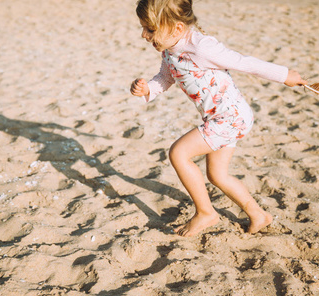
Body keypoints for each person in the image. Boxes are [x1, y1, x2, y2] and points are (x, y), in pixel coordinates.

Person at [130, 0, 307, 237]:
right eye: (144, 28)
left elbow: (245, 63)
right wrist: (148, 89)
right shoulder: (169, 49)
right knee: (217, 175)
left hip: (230, 118)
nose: (144, 34)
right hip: (219, 118)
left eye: (150, 29)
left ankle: (206, 213)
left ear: (177, 28)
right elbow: (166, 77)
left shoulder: (202, 48)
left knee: (179, 153)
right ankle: (259, 215)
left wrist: (285, 75)